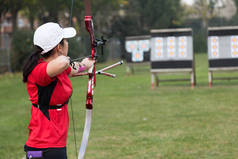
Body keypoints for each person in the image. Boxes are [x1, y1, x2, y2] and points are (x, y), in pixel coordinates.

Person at [22, 22, 94, 159]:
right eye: (65, 41)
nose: (68, 43)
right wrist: (65, 58)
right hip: (45, 148)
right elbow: (63, 63)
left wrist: (86, 64)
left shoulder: (56, 68)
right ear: (59, 47)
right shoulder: (40, 70)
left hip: (50, 145)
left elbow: (73, 68)